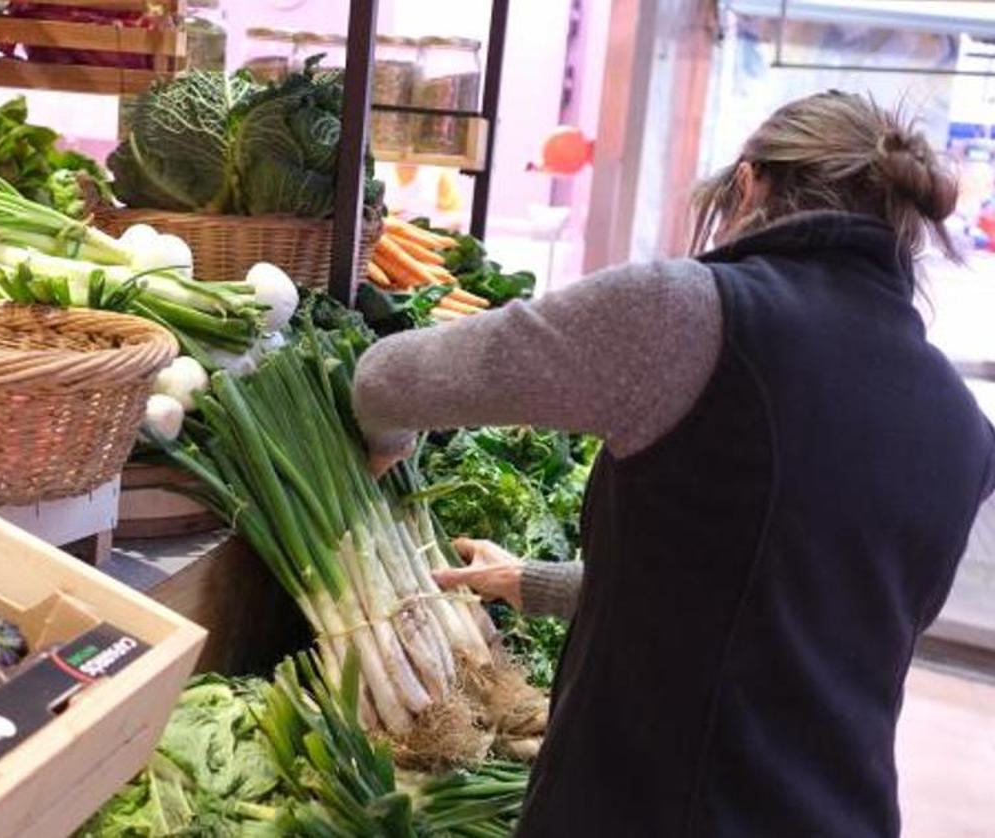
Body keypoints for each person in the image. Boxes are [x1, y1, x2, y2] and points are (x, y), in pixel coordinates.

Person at [352, 91, 995, 837]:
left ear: (750, 185)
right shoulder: (963, 428)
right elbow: (786, 617)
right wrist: (535, 583)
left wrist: (388, 441)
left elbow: (387, 381)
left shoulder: (691, 312)